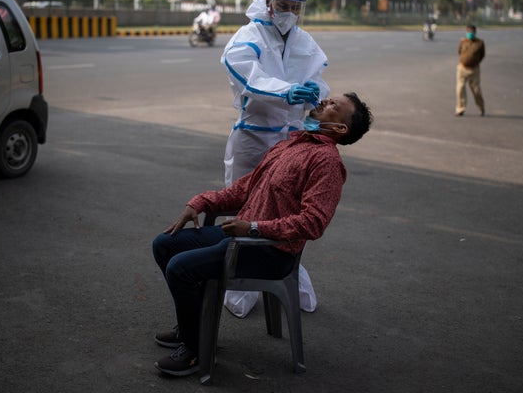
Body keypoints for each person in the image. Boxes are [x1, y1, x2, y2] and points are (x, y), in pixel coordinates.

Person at [151, 93, 373, 377]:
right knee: (165, 245)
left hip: (269, 252)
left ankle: (196, 351)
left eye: (333, 106)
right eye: (328, 99)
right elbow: (245, 189)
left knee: (180, 268)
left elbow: (313, 223)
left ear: (340, 128)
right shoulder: (291, 144)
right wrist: (201, 202)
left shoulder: (326, 162)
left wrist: (255, 229)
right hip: (238, 239)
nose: (322, 102)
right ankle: (194, 329)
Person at [219, 0, 329, 317]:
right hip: (254, 137)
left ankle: (283, 280)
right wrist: (285, 92)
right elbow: (244, 73)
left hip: (290, 139)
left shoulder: (304, 40)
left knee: (285, 213)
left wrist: (315, 92)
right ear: (269, 3)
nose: (289, 12)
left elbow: (319, 80)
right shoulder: (250, 35)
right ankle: (240, 287)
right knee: (245, 208)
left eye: (296, 7)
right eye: (283, 5)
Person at [455, 24, 486, 117]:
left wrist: (475, 62)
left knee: (476, 90)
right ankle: (460, 108)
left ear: (475, 32)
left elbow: (482, 55)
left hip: (474, 70)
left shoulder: (480, 43)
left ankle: (481, 107)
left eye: (471, 32)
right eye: (468, 32)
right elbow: (459, 52)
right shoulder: (463, 41)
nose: (470, 33)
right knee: (460, 89)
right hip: (462, 68)